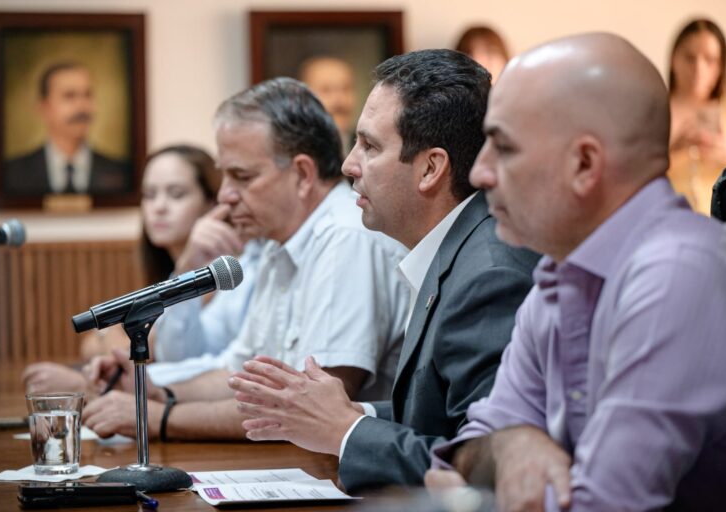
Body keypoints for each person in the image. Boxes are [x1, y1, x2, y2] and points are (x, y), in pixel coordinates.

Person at [423, 33, 726, 511]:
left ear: (584, 164)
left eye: (502, 147)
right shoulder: (559, 270)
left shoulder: (675, 275)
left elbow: (601, 505)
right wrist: (511, 442)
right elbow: (461, 457)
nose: (480, 173)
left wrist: (493, 467)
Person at [228, 49, 538, 492]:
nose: (348, 165)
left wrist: (343, 430)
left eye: (370, 146)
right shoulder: (459, 246)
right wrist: (355, 415)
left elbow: (484, 468)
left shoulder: (489, 273)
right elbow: (440, 418)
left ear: (431, 168)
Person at [81, 77, 409, 441]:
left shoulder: (346, 240)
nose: (224, 196)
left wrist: (160, 417)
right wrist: (156, 391)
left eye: (241, 176)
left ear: (302, 174)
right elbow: (236, 372)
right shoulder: (277, 244)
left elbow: (307, 409)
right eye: (224, 176)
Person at [22, 144, 259, 393]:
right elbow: (93, 345)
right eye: (149, 194)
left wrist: (93, 382)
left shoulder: (236, 271)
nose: (159, 207)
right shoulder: (166, 268)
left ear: (212, 202)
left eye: (176, 194)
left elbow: (181, 357)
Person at [3, 62, 132, 196]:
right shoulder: (13, 173)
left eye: (87, 95)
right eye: (69, 96)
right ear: (44, 107)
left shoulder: (120, 172)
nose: (82, 107)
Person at [667, 19, 726, 215]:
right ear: (673, 58)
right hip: (668, 224)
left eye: (710, 59)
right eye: (690, 57)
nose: (699, 69)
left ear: (721, 66)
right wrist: (674, 150)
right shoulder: (654, 109)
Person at [298, 56, 357, 151]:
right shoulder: (293, 150)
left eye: (345, 89)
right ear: (303, 98)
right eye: (326, 90)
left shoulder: (371, 147)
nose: (339, 100)